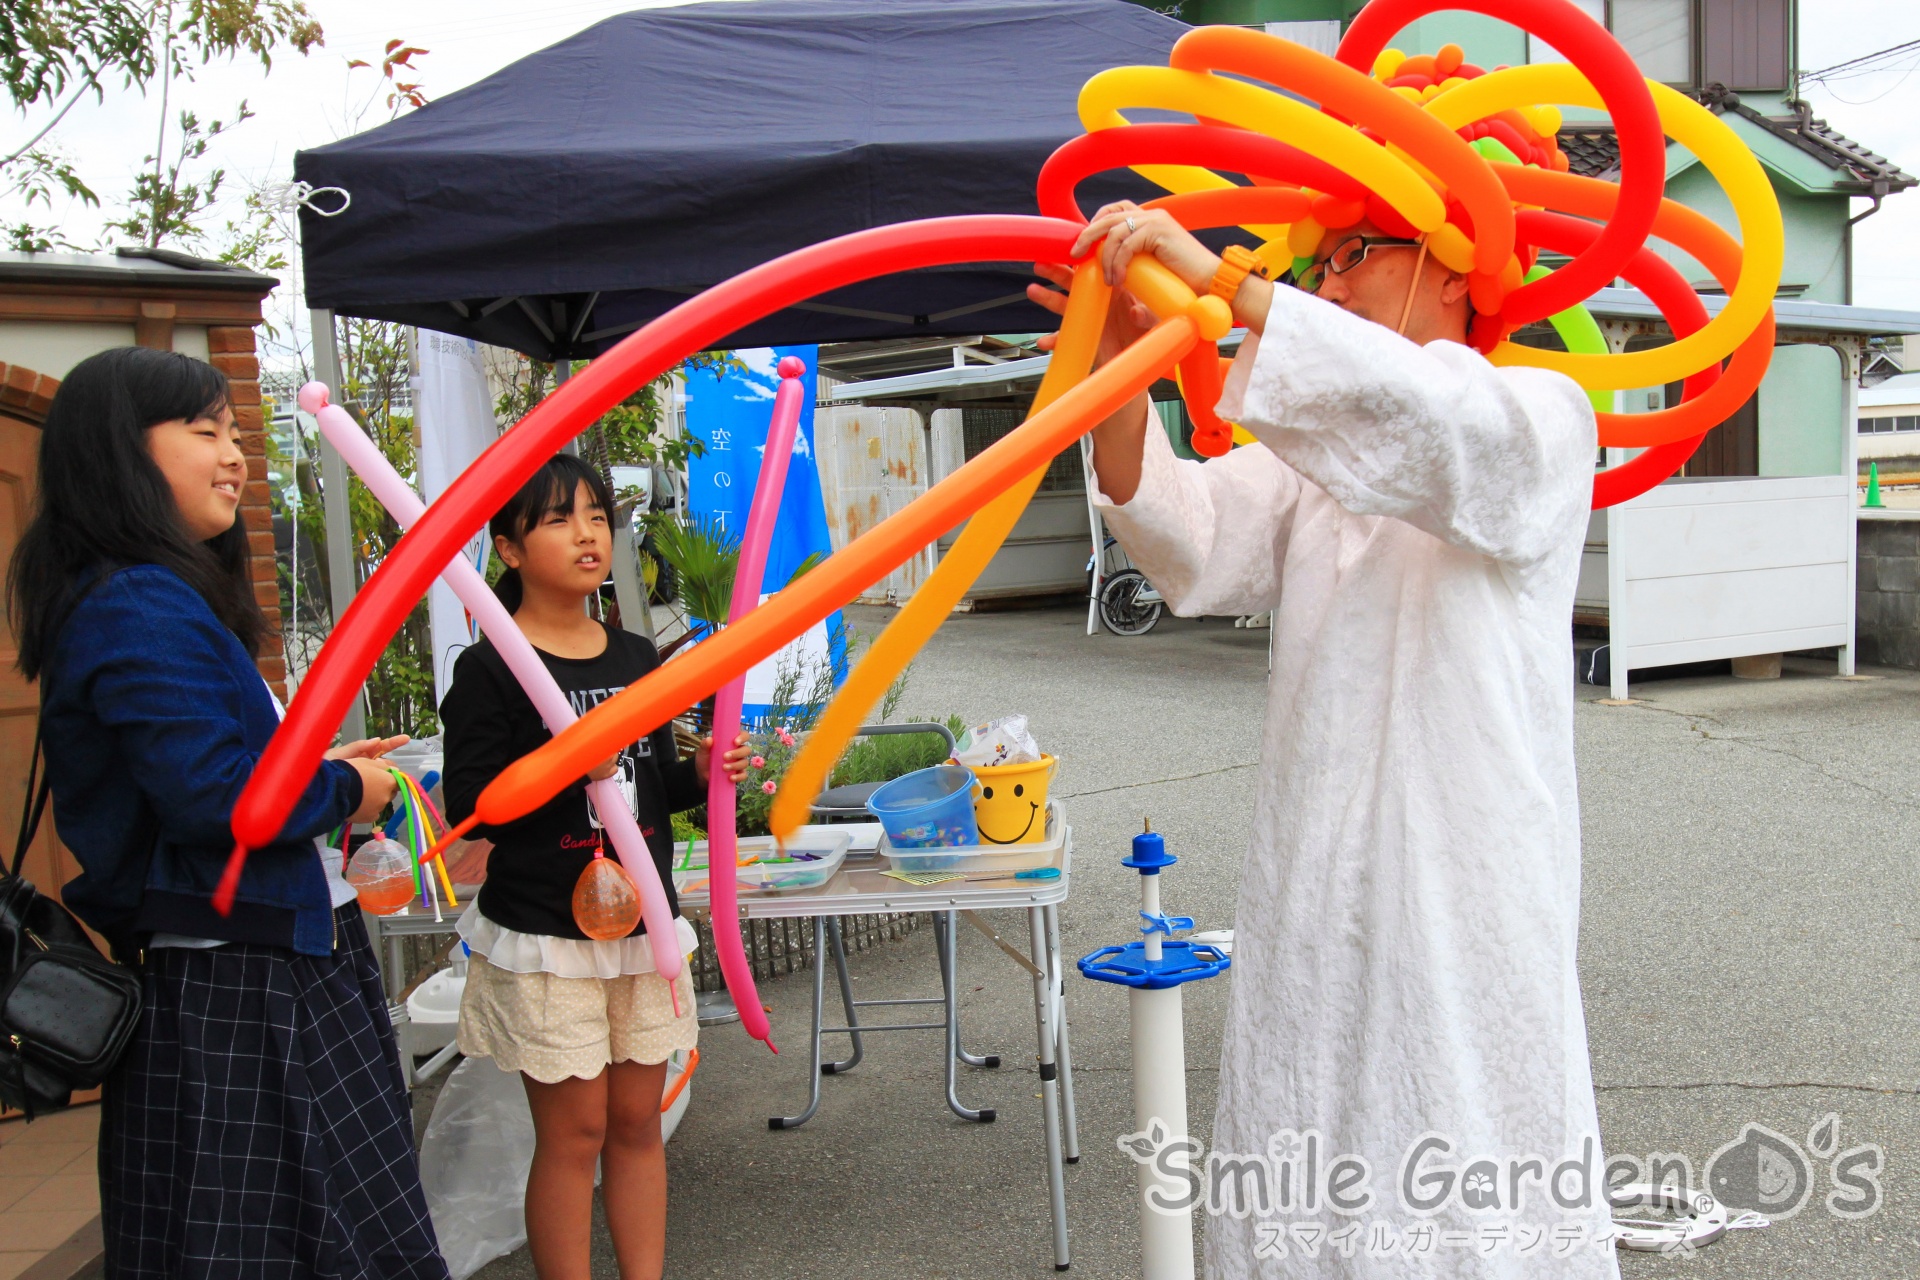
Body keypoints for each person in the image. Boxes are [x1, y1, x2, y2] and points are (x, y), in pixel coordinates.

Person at [1030, 203, 1614, 1278]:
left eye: (1353, 254)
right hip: (1318, 894)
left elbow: (1425, 424)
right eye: (1321, 262)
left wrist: (1245, 294)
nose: (1329, 282)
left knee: (1468, 1177)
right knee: (1309, 1159)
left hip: (1461, 904)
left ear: (1451, 265)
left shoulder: (1542, 415)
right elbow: (1189, 536)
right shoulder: (1312, 468)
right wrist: (1117, 373)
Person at [6, 346, 448, 1279]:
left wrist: (320, 769)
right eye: (205, 430)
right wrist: (345, 792)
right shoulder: (137, 600)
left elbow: (211, 774)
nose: (235, 453)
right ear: (121, 454)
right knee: (283, 1238)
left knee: (288, 1231)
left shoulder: (149, 593)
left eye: (235, 430)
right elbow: (217, 798)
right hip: (239, 980)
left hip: (254, 959)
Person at [440, 455, 749, 1280]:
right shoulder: (491, 668)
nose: (588, 533)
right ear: (507, 548)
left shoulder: (637, 657)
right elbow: (471, 807)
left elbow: (651, 786)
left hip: (641, 922)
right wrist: (566, 764)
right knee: (574, 1134)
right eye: (558, 518)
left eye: (597, 515)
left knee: (639, 1124)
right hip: (547, 930)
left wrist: (706, 770)